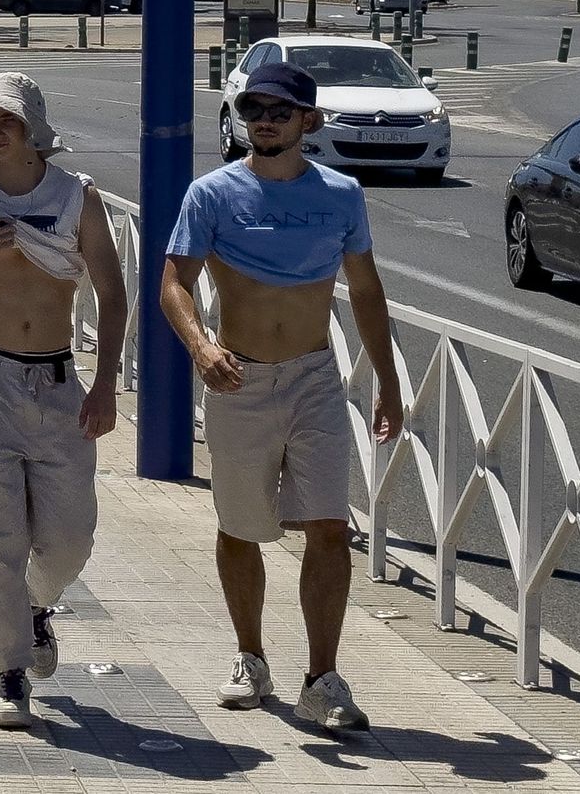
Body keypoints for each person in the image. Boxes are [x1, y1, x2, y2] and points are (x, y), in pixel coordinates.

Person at [160, 61, 404, 733]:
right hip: (238, 378)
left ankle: (322, 679)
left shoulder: (342, 195)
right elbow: (172, 283)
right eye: (253, 108)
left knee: (329, 526)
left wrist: (387, 379)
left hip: (315, 376)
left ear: (309, 120)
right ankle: (250, 656)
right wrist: (201, 346)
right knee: (240, 527)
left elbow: (366, 291)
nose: (263, 118)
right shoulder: (211, 194)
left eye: (279, 109)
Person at [0, 72, 127, 729]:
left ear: (33, 126)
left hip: (58, 382)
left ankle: (37, 608)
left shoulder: (77, 198)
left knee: (69, 536)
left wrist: (105, 382)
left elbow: (113, 294)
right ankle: (10, 669)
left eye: (5, 118)